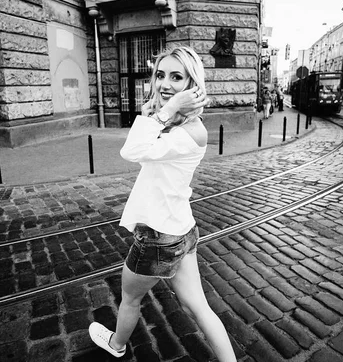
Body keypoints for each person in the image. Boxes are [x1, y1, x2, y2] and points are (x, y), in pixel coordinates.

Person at [88, 46, 236, 362]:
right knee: (197, 305)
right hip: (182, 230)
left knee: (129, 298)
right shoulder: (178, 125)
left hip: (158, 237)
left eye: (176, 77)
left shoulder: (188, 132)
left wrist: (164, 111)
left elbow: (132, 150)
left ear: (192, 85)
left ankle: (116, 345)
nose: (165, 84)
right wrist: (164, 111)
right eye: (160, 75)